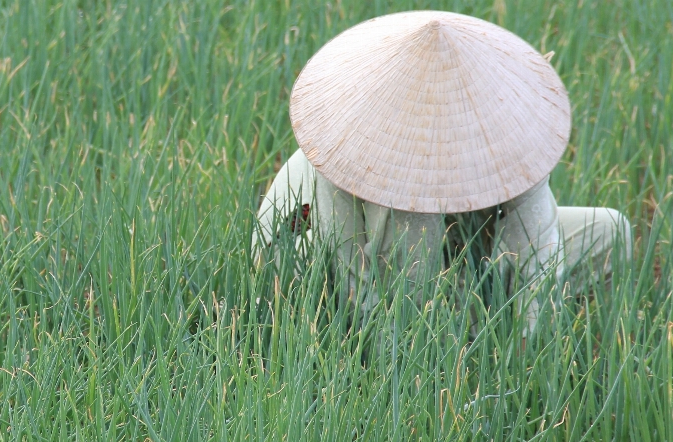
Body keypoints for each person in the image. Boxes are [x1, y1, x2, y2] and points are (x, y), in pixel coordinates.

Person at [253, 11, 631, 332]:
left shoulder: (508, 137)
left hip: (448, 258)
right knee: (415, 240)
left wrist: (524, 354)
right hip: (314, 263)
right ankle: (443, 335)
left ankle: (469, 321)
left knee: (611, 230)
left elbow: (538, 256)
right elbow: (353, 277)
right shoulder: (350, 147)